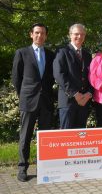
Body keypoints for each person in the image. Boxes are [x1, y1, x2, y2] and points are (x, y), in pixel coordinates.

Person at [12, 23, 55, 182]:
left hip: (45, 101)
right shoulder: (22, 53)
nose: (40, 36)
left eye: (43, 33)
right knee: (25, 136)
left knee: (44, 137)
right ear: (31, 34)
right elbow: (16, 79)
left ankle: (43, 168)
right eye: (37, 33)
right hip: (28, 100)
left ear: (46, 36)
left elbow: (50, 78)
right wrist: (23, 95)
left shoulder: (51, 55)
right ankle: (22, 168)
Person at [53, 24, 93, 129]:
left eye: (82, 34)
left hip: (84, 102)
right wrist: (75, 94)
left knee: (80, 138)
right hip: (68, 102)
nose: (79, 37)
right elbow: (59, 74)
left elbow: (93, 76)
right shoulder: (62, 51)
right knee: (67, 137)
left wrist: (89, 94)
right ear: (70, 35)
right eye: (76, 34)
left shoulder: (87, 55)